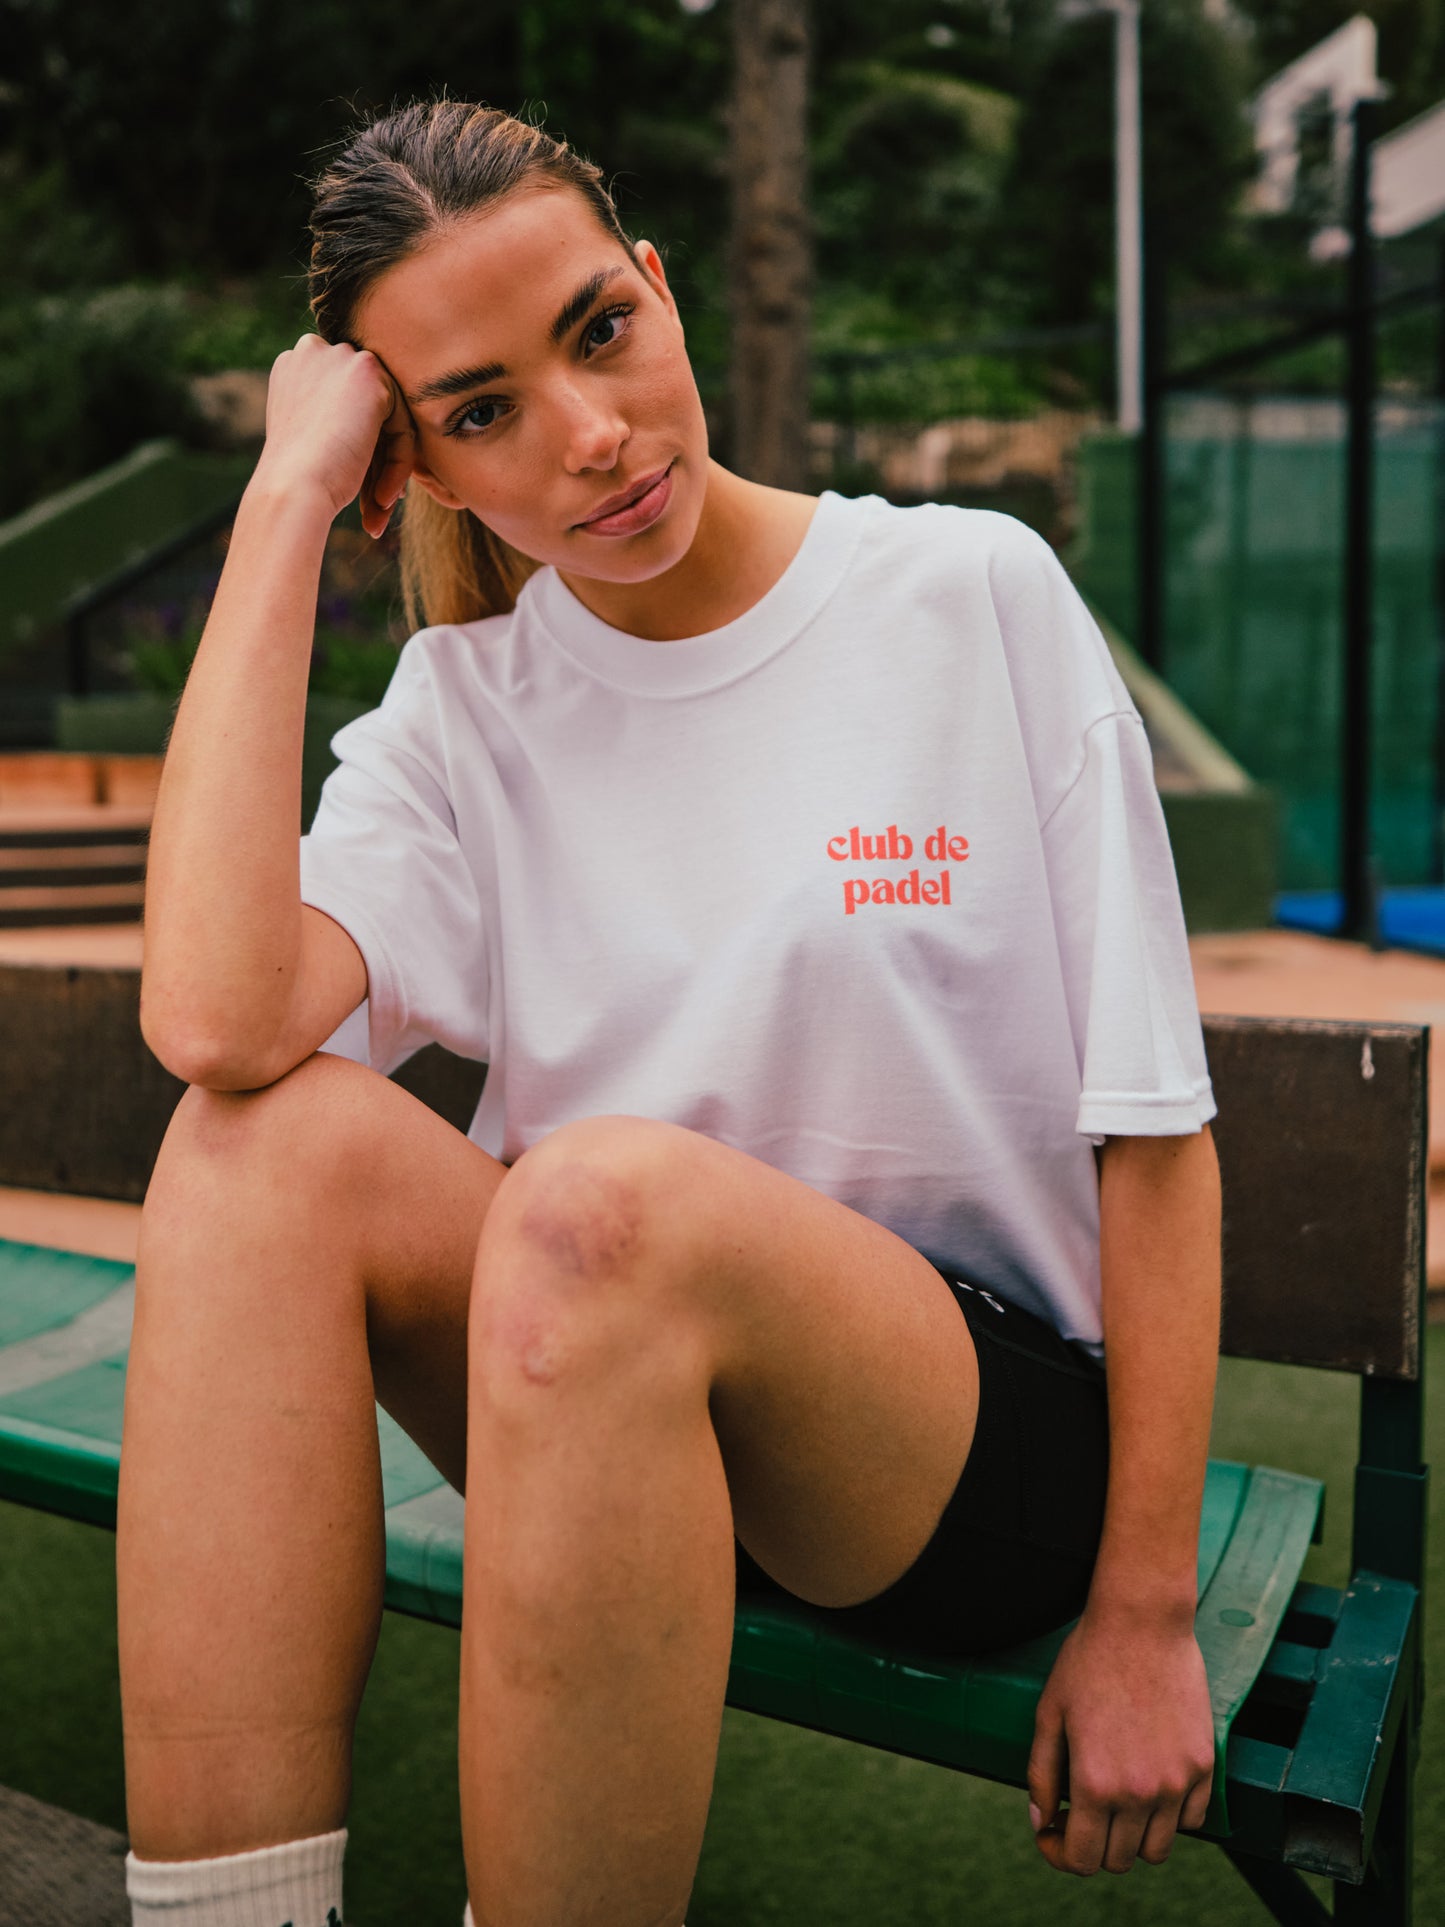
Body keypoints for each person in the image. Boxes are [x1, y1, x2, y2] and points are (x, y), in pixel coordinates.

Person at [117, 96, 1223, 1927]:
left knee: (593, 1196)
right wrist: (281, 507)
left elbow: (1154, 1128)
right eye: (481, 412)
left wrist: (1143, 1609)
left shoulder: (964, 593)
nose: (589, 434)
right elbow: (221, 1025)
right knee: (258, 1148)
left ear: (659, 286)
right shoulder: (465, 711)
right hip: (592, 1419)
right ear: (420, 470)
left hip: (949, 1449)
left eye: (599, 330)